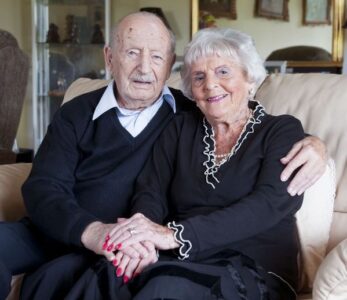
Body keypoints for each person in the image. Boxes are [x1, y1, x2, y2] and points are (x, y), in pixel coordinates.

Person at [1, 13, 324, 300]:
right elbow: (144, 189)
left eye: (224, 71)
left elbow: (269, 200)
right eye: (199, 77)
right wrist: (122, 232)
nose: (211, 86)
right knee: (74, 275)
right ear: (110, 58)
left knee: (143, 282)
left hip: (231, 260)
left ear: (250, 78)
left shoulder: (262, 128)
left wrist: (317, 146)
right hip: (80, 234)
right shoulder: (171, 125)